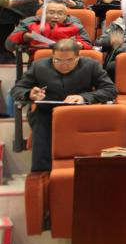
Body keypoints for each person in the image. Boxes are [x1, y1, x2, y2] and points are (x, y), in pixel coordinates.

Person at [11, 38, 117, 171]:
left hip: (79, 112)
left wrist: (84, 97)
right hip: (47, 113)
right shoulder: (39, 66)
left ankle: (88, 170)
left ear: (78, 57)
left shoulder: (91, 65)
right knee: (40, 121)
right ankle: (42, 172)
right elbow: (17, 89)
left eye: (69, 60)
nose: (63, 65)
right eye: (57, 60)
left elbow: (110, 90)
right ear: (52, 56)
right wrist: (29, 94)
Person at [6, 0, 93, 53]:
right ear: (44, 14)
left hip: (67, 59)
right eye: (51, 13)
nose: (55, 16)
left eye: (60, 13)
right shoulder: (31, 23)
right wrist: (24, 36)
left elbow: (88, 45)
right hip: (39, 62)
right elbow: (9, 45)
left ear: (65, 15)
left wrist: (80, 45)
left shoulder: (75, 25)